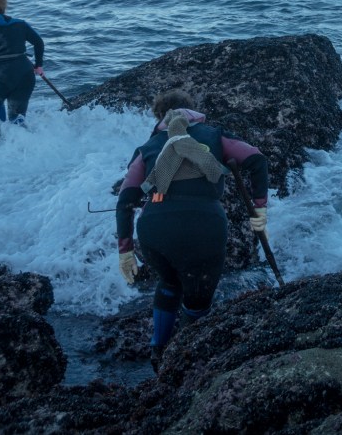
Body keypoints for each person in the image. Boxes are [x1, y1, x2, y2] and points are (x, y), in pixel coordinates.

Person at [115, 89, 269, 368]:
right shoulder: (215, 135)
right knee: (198, 301)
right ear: (193, 111)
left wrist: (125, 251)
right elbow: (257, 160)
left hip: (154, 228)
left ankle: (159, 350)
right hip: (204, 225)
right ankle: (187, 359)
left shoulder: (147, 148)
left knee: (170, 282)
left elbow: (126, 198)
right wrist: (260, 209)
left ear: (159, 117)